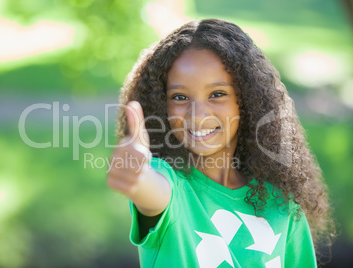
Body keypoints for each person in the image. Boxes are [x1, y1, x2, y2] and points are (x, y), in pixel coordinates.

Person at [107, 18, 334, 268]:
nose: (198, 114)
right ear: (162, 106)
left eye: (217, 94)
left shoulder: (283, 203)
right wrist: (138, 176)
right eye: (180, 97)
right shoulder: (172, 186)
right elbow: (152, 191)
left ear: (246, 99)